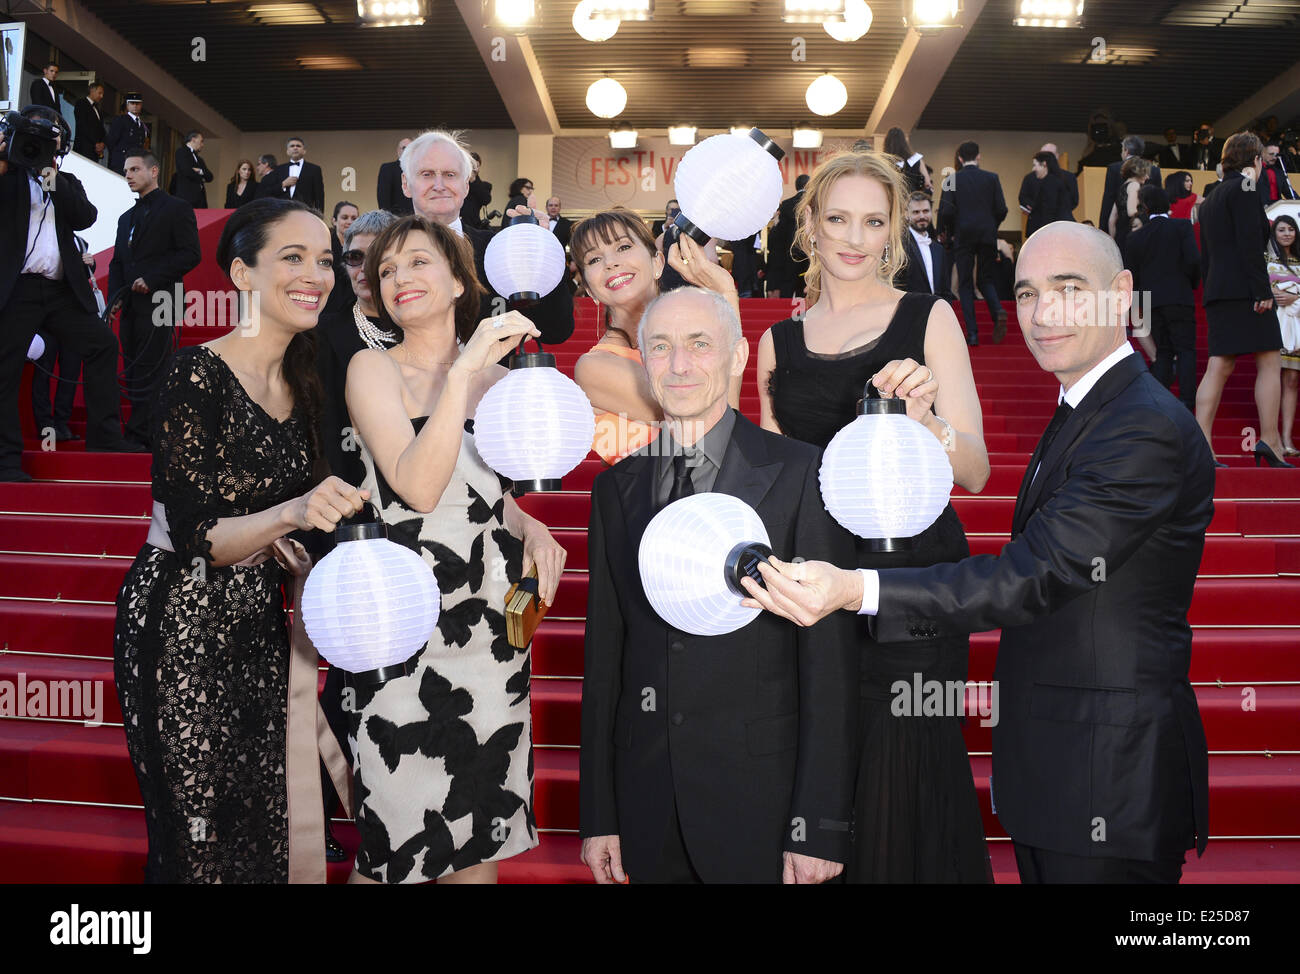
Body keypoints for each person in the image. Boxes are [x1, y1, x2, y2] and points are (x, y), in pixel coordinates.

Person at [743, 222, 1214, 885]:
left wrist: (858, 589)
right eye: (1025, 293)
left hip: (1110, 777)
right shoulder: (1088, 410)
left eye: (1068, 288)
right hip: (1064, 772)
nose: (1042, 313)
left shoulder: (1142, 425)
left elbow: (1036, 573)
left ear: (1121, 294)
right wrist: (931, 427)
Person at [113, 197, 369, 882]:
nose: (315, 273)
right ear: (242, 274)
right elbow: (198, 538)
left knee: (260, 833)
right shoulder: (194, 374)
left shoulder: (307, 381)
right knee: (196, 843)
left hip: (257, 623)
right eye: (292, 257)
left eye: (323, 259)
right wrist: (295, 511)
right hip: (179, 626)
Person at [755, 150, 991, 883]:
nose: (854, 238)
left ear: (894, 230)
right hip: (815, 590)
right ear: (811, 228)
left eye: (872, 221)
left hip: (914, 593)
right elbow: (772, 485)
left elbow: (975, 471)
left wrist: (927, 422)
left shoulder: (930, 317)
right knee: (826, 774)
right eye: (837, 219)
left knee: (906, 779)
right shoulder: (777, 343)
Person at [579, 286, 859, 885]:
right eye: (661, 346)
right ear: (645, 363)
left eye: (698, 345)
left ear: (737, 357)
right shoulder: (616, 491)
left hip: (761, 799)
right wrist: (599, 815)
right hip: (647, 802)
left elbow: (829, 664)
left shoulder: (801, 472)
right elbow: (604, 663)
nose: (679, 365)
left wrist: (818, 822)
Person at [342, 214, 566, 884]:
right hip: (400, 625)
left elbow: (482, 491)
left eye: (417, 262)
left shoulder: (500, 384)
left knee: (477, 839)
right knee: (393, 843)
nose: (399, 278)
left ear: (458, 278)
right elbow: (416, 485)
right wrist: (466, 368)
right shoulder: (371, 368)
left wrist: (531, 525)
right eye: (386, 270)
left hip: (490, 626)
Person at [0, 106, 137, 481]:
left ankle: (106, 439)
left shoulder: (65, 180)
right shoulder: (7, 177)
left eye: (49, 143)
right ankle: (6, 461)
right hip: (18, 290)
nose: (41, 148)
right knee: (5, 369)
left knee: (102, 345)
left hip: (61, 290)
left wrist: (51, 175)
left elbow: (84, 217)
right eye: (35, 142)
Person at [570, 209, 739, 465]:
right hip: (649, 501)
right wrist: (725, 295)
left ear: (658, 263)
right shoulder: (593, 368)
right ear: (590, 290)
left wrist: (726, 291)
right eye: (594, 260)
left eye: (623, 247)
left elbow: (728, 418)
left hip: (712, 492)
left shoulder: (696, 340)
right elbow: (705, 420)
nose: (610, 263)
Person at [399, 130, 573, 349]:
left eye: (450, 174)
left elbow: (555, 330)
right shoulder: (384, 251)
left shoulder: (499, 250)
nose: (439, 184)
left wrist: (543, 254)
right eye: (427, 174)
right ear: (406, 183)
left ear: (466, 186)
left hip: (491, 380)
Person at [1194, 133, 1289, 468]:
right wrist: (1262, 290)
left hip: (1218, 290)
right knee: (1270, 360)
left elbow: (1206, 254)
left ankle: (1202, 444)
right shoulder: (1247, 189)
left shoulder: (1213, 196)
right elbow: (1250, 244)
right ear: (1256, 160)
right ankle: (1271, 441)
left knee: (1219, 365)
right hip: (1246, 291)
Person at [108, 153, 202, 449]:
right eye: (125, 171)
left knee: (154, 367)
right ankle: (137, 432)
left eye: (135, 169)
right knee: (134, 367)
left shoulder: (177, 208)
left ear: (154, 170)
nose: (128, 175)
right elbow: (116, 262)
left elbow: (190, 253)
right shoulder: (126, 218)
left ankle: (148, 434)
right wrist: (114, 299)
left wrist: (153, 278)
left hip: (162, 301)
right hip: (131, 305)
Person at [1125, 185, 1200, 411]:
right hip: (1179, 298)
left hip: (1152, 302)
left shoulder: (1135, 238)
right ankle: (1187, 401)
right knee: (1185, 350)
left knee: (1164, 351)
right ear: (1168, 205)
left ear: (1145, 207)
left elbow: (1132, 275)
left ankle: (1160, 402)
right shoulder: (1181, 227)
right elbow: (1194, 261)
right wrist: (1190, 284)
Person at [30, 234, 97, 443]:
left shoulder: (79, 241)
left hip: (71, 316)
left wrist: (91, 264)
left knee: (70, 370)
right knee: (43, 373)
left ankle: (61, 424)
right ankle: (45, 426)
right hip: (44, 318)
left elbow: (81, 276)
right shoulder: (39, 237)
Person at [944, 140, 1008, 345]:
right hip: (987, 235)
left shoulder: (951, 179)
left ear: (960, 158)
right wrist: (991, 225)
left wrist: (949, 232)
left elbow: (946, 210)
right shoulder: (992, 178)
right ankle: (997, 310)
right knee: (985, 278)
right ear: (978, 156)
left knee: (964, 283)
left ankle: (972, 333)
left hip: (963, 235)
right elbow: (1002, 209)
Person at [1267, 215, 1300, 455]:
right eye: (1282, 229)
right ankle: (1273, 436)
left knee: (1292, 380)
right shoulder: (1265, 259)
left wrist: (1295, 298)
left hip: (1298, 326)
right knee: (1271, 378)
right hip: (1273, 325)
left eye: (1291, 229)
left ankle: (1287, 438)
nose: (1287, 233)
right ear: (1274, 233)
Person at [896, 190, 953, 299]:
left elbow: (946, 290)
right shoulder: (899, 246)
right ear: (907, 214)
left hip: (936, 312)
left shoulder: (939, 250)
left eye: (926, 211)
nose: (922, 216)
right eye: (916, 212)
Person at [1100, 136, 1161, 236]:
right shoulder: (1155, 170)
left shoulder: (1114, 168)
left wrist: (1103, 229)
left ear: (1126, 150)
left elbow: (1109, 199)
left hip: (1121, 226)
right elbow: (1158, 200)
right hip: (1148, 226)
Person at [766, 176, 809, 299]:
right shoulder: (813, 204)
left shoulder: (786, 205)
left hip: (789, 254)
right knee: (805, 287)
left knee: (788, 285)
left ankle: (786, 314)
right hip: (808, 253)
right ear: (808, 186)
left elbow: (780, 235)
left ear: (796, 187)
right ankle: (803, 315)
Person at [321, 201, 360, 316]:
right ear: (334, 221)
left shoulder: (361, 246)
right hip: (328, 308)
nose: (349, 222)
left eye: (354, 218)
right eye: (344, 217)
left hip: (354, 309)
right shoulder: (324, 245)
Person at [1109, 155, 1152, 254]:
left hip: (1121, 236)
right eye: (1145, 173)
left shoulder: (1121, 189)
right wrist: (1145, 218)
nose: (1147, 177)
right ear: (1138, 171)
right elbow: (1131, 211)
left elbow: (1112, 219)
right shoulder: (1134, 185)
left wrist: (1113, 241)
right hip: (1133, 235)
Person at [1024, 151, 1072, 239]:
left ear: (1044, 164)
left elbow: (1049, 213)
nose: (1033, 169)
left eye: (1035, 165)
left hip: (1049, 235)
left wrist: (1043, 236)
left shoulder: (1050, 183)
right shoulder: (1054, 181)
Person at [271, 137, 325, 212]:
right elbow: (271, 192)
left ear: (304, 151)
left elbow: (319, 195)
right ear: (287, 151)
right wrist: (283, 184)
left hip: (305, 211)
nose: (295, 148)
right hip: (283, 212)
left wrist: (319, 215)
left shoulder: (314, 169)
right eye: (292, 146)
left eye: (298, 146)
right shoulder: (279, 169)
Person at [105, 93, 148, 174]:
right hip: (121, 163)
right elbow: (111, 141)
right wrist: (117, 157)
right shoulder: (121, 120)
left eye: (137, 103)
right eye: (132, 103)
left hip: (135, 164)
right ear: (127, 105)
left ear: (141, 105)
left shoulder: (141, 125)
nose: (135, 106)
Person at [883, 126, 932, 196]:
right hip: (913, 198)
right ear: (904, 142)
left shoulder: (884, 161)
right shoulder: (916, 159)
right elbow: (927, 183)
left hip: (893, 199)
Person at [172, 130, 214, 208]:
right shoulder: (181, 152)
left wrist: (200, 171)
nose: (203, 145)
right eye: (201, 141)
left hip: (201, 200)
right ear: (193, 139)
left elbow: (210, 177)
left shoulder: (199, 159)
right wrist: (201, 177)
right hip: (187, 198)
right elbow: (186, 171)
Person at [376, 137, 414, 215]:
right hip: (396, 219)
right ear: (398, 151)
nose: (407, 150)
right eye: (404, 148)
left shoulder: (421, 169)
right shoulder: (388, 168)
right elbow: (383, 197)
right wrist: (387, 219)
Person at [72, 82, 106, 162]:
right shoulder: (81, 103)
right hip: (83, 148)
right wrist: (96, 143)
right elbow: (83, 125)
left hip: (94, 151)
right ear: (92, 90)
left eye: (102, 94)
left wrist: (102, 143)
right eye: (99, 93)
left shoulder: (97, 108)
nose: (101, 96)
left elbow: (101, 128)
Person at [459, 151, 491, 229]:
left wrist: (473, 180)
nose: (473, 168)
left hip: (473, 226)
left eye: (476, 166)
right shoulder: (457, 182)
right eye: (470, 165)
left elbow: (486, 200)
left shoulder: (485, 186)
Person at [1261, 138, 1298, 204]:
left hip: (1278, 207)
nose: (1274, 157)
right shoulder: (1254, 171)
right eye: (1271, 154)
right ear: (1262, 153)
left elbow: (1289, 192)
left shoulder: (1279, 172)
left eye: (1276, 155)